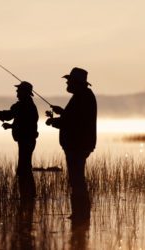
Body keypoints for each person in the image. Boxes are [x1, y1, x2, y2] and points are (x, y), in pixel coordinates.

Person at [46, 67, 97, 220]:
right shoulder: (83, 96)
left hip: (77, 146)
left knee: (77, 180)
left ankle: (80, 215)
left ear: (76, 82)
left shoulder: (82, 97)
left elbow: (74, 122)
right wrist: (61, 112)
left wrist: (54, 122)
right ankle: (80, 214)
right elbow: (74, 117)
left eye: (69, 80)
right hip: (78, 145)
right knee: (77, 179)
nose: (67, 83)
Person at [0, 81, 39, 199]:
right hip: (27, 140)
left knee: (24, 169)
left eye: (19, 91)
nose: (17, 92)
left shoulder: (24, 106)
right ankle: (29, 196)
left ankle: (27, 196)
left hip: (26, 140)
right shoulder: (26, 105)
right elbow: (13, 118)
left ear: (25, 92)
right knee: (25, 167)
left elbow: (17, 120)